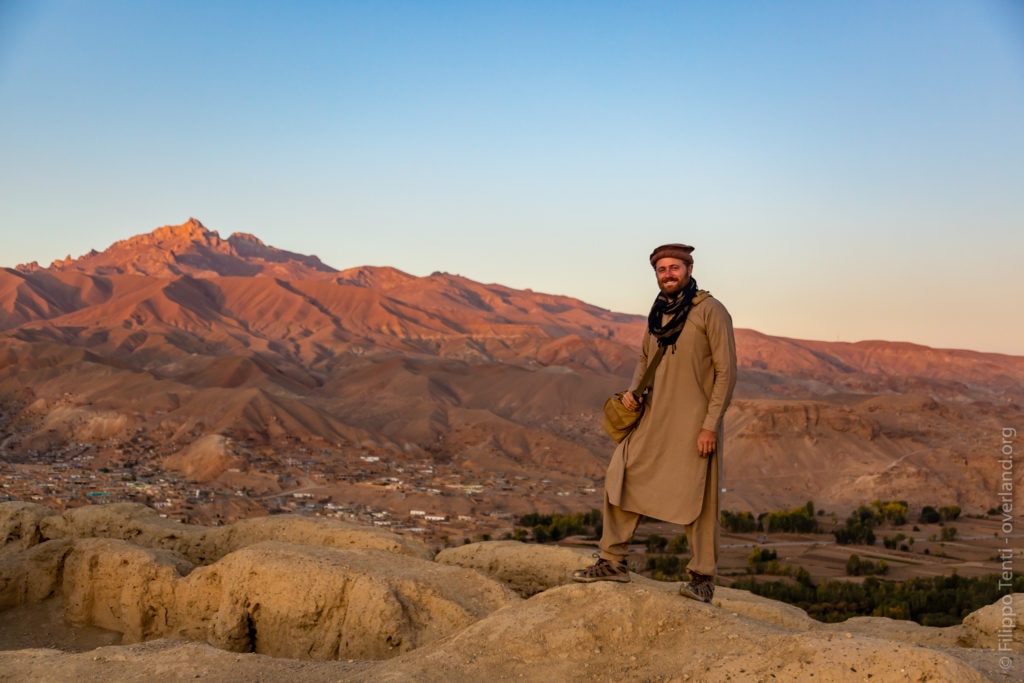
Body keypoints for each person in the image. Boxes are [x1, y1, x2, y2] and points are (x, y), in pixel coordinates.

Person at [573, 243, 737, 603]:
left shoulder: (711, 311)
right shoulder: (658, 314)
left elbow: (726, 372)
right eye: (662, 269)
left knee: (697, 498)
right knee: (622, 472)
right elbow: (645, 359)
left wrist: (710, 424)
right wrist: (634, 392)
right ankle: (612, 561)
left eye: (674, 268)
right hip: (654, 416)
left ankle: (702, 579)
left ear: (689, 269)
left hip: (695, 423)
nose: (668, 274)